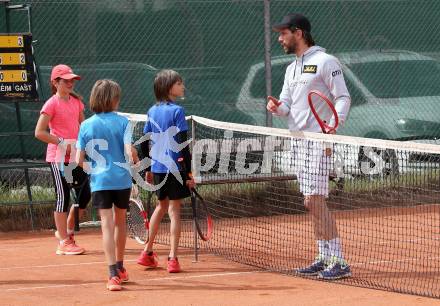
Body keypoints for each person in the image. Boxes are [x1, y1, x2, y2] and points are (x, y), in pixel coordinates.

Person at [267, 13, 352, 280]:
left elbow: (343, 97)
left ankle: (339, 261)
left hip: (319, 140)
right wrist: (277, 107)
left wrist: (333, 125)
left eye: (283, 33)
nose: (280, 38)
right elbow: (286, 105)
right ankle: (324, 256)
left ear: (298, 33)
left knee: (316, 200)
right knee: (309, 202)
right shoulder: (290, 69)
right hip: (298, 142)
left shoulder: (327, 62)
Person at [76, 79, 137, 291]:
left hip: (100, 181)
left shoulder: (85, 125)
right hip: (121, 180)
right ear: (112, 99)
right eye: (117, 96)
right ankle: (120, 267)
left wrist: (94, 172)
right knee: (120, 223)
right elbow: (130, 151)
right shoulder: (124, 122)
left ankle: (113, 274)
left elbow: (79, 160)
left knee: (106, 225)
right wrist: (134, 160)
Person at [137, 69, 195, 273]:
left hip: (158, 167)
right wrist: (188, 173)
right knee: (174, 210)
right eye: (179, 83)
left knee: (161, 207)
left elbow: (143, 144)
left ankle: (147, 252)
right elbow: (181, 145)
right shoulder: (177, 111)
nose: (183, 86)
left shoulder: (152, 111)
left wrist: (148, 167)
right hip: (176, 168)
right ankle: (172, 258)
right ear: (169, 87)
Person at [35, 64, 91, 255]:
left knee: (85, 195)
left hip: (76, 157)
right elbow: (39, 132)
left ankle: (65, 232)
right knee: (63, 196)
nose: (70, 83)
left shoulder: (76, 102)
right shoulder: (51, 104)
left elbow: (83, 126)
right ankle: (64, 242)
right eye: (65, 80)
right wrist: (61, 142)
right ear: (55, 82)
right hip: (58, 158)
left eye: (72, 80)